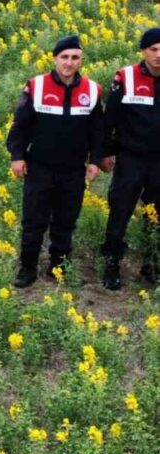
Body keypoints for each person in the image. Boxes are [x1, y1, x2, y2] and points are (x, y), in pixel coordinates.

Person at [6, 35, 103, 288]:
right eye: (64, 57)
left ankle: (57, 266)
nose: (69, 63)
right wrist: (17, 156)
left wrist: (94, 161)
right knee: (34, 220)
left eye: (75, 57)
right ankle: (27, 267)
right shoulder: (36, 86)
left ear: (81, 60)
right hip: (39, 166)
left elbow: (97, 131)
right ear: (55, 58)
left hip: (73, 169)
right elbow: (20, 127)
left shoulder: (92, 90)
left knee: (65, 220)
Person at [98, 27, 160, 290]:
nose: (159, 55)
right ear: (143, 51)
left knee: (156, 216)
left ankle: (152, 265)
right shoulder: (126, 77)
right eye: (153, 49)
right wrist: (104, 152)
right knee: (120, 212)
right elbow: (109, 119)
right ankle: (112, 264)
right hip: (131, 159)